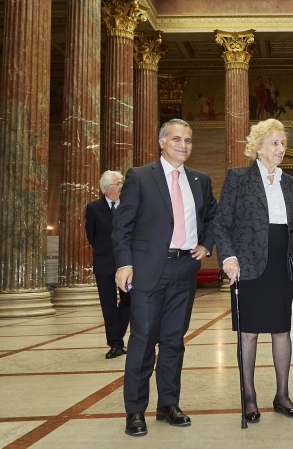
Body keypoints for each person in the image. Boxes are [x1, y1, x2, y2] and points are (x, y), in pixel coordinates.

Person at [113, 119, 218, 437]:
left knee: (174, 341)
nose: (183, 145)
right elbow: (122, 225)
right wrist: (124, 264)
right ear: (162, 142)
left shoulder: (200, 179)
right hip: (147, 270)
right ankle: (135, 410)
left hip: (184, 269)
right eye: (176, 139)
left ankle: (168, 404)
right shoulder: (140, 176)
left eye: (188, 140)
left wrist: (206, 243)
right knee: (143, 340)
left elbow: (213, 215)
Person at [214, 119, 293, 425]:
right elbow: (221, 223)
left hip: (281, 266)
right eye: (274, 143)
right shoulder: (239, 178)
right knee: (250, 333)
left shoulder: (290, 183)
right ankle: (249, 398)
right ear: (258, 147)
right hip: (248, 266)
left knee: (283, 330)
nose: (281, 149)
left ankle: (282, 396)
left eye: (282, 143)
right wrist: (228, 256)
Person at [85, 170, 130, 359]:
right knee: (108, 304)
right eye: (118, 184)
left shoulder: (129, 205)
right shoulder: (94, 208)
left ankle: (117, 336)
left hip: (127, 263)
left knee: (129, 301)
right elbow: (91, 235)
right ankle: (116, 343)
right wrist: (106, 252)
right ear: (106, 189)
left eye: (122, 183)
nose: (121, 186)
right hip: (104, 262)